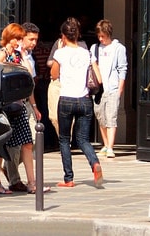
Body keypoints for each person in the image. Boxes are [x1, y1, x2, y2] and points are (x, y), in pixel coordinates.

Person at [50, 17, 104, 189]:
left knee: (64, 139)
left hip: (66, 99)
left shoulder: (60, 53)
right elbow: (99, 78)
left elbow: (54, 75)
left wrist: (60, 53)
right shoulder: (87, 53)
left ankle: (69, 178)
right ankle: (94, 163)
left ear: (63, 36)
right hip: (84, 100)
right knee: (83, 139)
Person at [0, 22, 40, 194]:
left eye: (20, 38)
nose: (18, 41)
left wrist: (34, 106)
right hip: (5, 106)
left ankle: (32, 183)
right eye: (16, 38)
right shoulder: (1, 54)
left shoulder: (20, 55)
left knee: (27, 143)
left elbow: (28, 77)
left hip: (19, 106)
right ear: (8, 38)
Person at [4, 22, 43, 193]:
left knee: (31, 142)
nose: (34, 43)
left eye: (36, 40)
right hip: (12, 105)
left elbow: (30, 83)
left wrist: (34, 106)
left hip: (25, 103)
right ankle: (15, 179)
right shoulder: (8, 55)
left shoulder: (27, 56)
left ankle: (15, 173)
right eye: (30, 39)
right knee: (15, 144)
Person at [92, 19, 128, 158]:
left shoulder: (118, 48)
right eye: (99, 36)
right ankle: (105, 145)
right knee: (101, 117)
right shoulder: (95, 48)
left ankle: (110, 147)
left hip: (112, 87)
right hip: (99, 89)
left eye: (103, 36)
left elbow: (122, 69)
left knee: (111, 117)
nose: (101, 39)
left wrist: (120, 88)